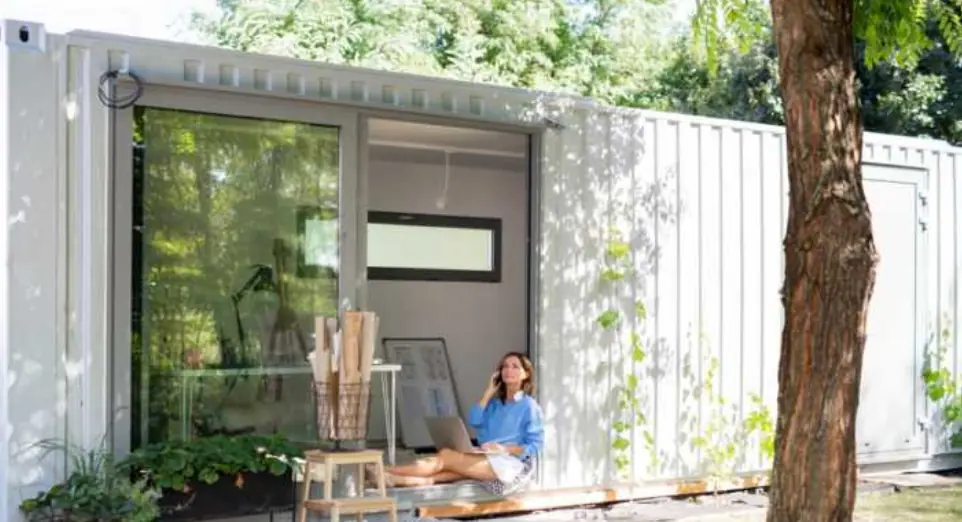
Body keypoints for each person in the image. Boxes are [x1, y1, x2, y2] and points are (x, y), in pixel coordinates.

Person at [371, 351, 544, 494]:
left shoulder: (529, 406)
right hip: (486, 456)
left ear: (525, 374)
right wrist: (488, 392)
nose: (508, 370)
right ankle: (394, 480)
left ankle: (384, 471)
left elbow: (535, 445)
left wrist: (504, 448)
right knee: (445, 473)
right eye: (505, 366)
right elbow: (474, 420)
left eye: (515, 366)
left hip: (507, 464)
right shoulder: (494, 404)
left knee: (445, 456)